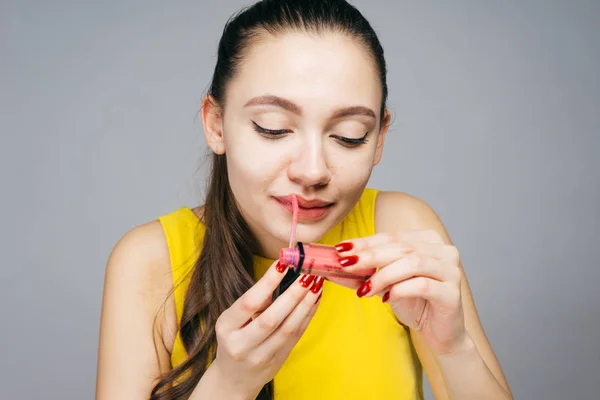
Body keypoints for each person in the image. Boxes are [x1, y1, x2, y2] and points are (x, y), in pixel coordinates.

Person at [95, 0, 513, 399]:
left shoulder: (399, 230)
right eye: (273, 128)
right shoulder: (150, 261)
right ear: (216, 124)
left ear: (380, 138)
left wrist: (453, 347)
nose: (313, 171)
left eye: (350, 135)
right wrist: (228, 384)